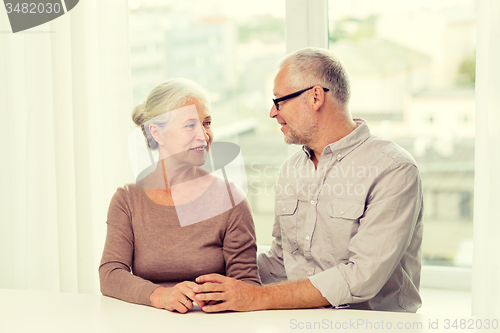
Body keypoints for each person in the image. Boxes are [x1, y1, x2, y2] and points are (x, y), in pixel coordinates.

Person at [193, 47, 424, 312]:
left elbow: (362, 277)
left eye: (279, 101)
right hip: (301, 322)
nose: (272, 112)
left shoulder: (393, 169)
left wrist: (257, 298)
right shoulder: (291, 168)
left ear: (315, 97)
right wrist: (204, 269)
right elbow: (282, 263)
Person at [99, 78, 260, 314]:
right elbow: (111, 274)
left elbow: (247, 287)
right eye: (190, 125)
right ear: (157, 132)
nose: (204, 136)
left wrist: (212, 298)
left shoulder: (230, 198)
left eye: (207, 123)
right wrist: (160, 295)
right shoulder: (127, 201)